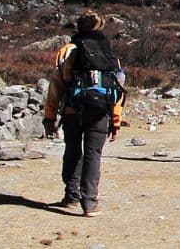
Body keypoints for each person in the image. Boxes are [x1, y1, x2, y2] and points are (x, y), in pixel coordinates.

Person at [42, 12, 126, 217]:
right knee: (93, 155)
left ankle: (71, 196)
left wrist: (50, 116)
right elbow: (117, 89)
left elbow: (56, 86)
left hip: (72, 109)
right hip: (99, 112)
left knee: (72, 151)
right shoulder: (109, 53)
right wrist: (116, 121)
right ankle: (89, 203)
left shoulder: (67, 50)